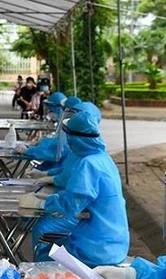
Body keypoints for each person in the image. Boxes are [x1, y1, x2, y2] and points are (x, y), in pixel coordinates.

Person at [18, 109, 129, 267]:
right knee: (51, 243)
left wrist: (41, 204)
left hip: (95, 248)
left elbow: (70, 205)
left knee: (44, 254)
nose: (68, 141)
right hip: (112, 242)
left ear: (76, 138)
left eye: (69, 136)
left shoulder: (88, 164)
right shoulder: (103, 159)